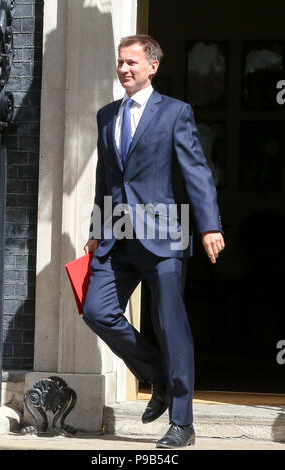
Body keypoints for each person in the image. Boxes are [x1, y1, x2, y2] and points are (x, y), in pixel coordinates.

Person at [83, 34, 225, 449]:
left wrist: (209, 225)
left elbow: (197, 171)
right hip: (117, 236)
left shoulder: (176, 113)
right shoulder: (106, 115)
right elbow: (105, 179)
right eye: (120, 62)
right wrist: (96, 229)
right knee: (97, 311)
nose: (124, 69)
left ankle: (183, 422)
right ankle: (159, 375)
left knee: (169, 325)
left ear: (152, 67)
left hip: (166, 233)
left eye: (131, 62)